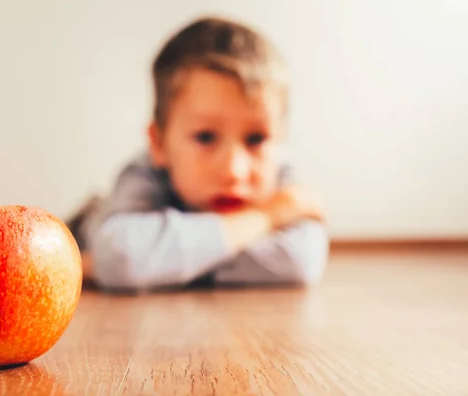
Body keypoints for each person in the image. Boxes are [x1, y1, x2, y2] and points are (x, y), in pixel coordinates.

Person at [67, 16, 329, 292]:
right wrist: (265, 217)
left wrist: (157, 263)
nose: (234, 170)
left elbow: (301, 260)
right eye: (206, 137)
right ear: (159, 145)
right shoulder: (144, 174)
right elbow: (121, 255)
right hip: (91, 227)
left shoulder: (284, 179)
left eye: (256, 139)